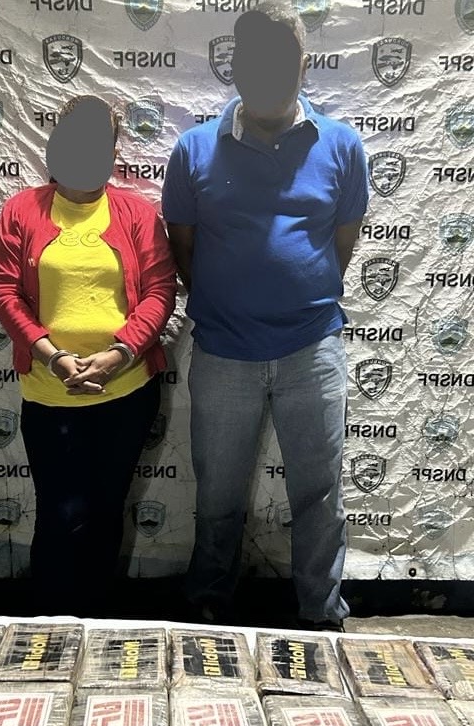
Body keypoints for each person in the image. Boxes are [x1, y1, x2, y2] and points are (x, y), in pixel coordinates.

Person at [162, 6, 368, 630]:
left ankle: (321, 613)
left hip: (313, 349)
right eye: (253, 57)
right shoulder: (194, 149)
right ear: (234, 65)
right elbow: (183, 248)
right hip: (224, 351)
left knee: (320, 495)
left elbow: (342, 242)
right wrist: (233, 300)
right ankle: (210, 603)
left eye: (280, 57)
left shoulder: (342, 145)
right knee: (218, 494)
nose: (266, 70)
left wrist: (296, 293)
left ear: (303, 65)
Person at [0, 95, 176, 603]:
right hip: (50, 393)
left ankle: (96, 622)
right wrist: (51, 355)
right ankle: (50, 625)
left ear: (113, 152)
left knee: (106, 512)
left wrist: (119, 354)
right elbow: (3, 292)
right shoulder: (21, 211)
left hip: (127, 392)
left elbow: (160, 292)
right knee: (58, 515)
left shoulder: (138, 214)